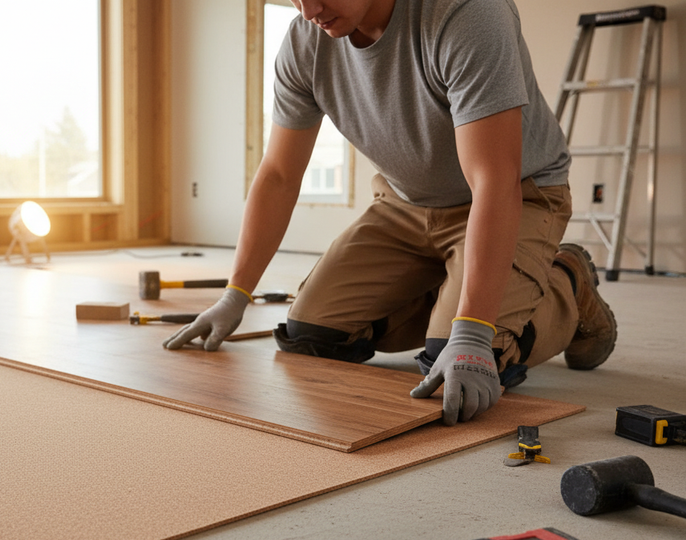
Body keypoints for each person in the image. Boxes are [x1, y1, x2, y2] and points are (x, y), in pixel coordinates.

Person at [163, 0, 617, 425]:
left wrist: (472, 332)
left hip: (517, 193)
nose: (309, 10)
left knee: (472, 356)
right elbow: (279, 175)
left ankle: (567, 283)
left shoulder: (467, 13)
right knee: (311, 336)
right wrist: (236, 293)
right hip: (404, 204)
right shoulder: (305, 42)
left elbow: (493, 181)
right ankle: (458, 292)